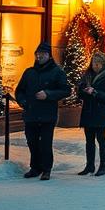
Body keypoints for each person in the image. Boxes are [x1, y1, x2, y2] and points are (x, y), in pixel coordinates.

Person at [13, 41, 70, 180]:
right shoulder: (29, 72)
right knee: (32, 141)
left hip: (47, 115)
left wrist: (48, 94)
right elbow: (19, 91)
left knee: (45, 143)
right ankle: (35, 167)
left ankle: (46, 169)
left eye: (43, 54)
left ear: (49, 56)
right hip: (31, 113)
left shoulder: (57, 72)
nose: (40, 56)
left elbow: (66, 90)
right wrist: (23, 102)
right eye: (38, 54)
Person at [76, 50, 105, 176]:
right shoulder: (87, 75)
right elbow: (79, 92)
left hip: (100, 112)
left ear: (103, 64)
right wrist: (84, 91)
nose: (96, 66)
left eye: (98, 63)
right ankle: (89, 166)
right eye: (94, 63)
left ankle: (103, 166)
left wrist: (95, 93)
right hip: (88, 111)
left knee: (101, 138)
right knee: (89, 140)